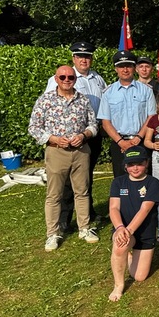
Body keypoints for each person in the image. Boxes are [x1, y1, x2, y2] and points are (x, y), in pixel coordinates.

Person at [29, 65, 99, 251]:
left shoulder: (83, 100)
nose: (67, 80)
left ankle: (84, 228)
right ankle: (52, 233)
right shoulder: (45, 100)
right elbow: (34, 127)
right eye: (63, 77)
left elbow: (93, 124)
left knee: (82, 191)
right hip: (56, 151)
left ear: (75, 79)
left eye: (70, 77)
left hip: (81, 151)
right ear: (56, 78)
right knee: (54, 195)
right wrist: (53, 139)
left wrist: (84, 135)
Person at [45, 41, 106, 228]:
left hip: (91, 134)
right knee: (64, 181)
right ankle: (64, 218)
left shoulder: (98, 79)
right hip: (66, 138)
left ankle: (87, 212)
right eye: (80, 56)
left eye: (87, 56)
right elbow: (49, 107)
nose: (84, 60)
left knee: (85, 177)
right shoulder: (63, 76)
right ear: (73, 58)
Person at [108, 146, 159, 302]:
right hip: (123, 229)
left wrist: (129, 230)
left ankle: (130, 256)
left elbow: (145, 210)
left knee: (139, 276)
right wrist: (120, 228)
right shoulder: (118, 182)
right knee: (120, 246)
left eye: (139, 163)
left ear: (147, 163)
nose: (135, 168)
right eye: (130, 164)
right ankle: (118, 285)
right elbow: (114, 208)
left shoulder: (153, 182)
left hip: (144, 232)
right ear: (125, 166)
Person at [97, 50, 157, 177]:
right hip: (119, 143)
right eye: (121, 66)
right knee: (121, 179)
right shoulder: (108, 92)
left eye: (128, 66)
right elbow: (106, 122)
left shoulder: (146, 90)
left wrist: (138, 138)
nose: (125, 70)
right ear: (116, 69)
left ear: (134, 68)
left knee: (144, 178)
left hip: (142, 141)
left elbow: (151, 117)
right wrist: (121, 142)